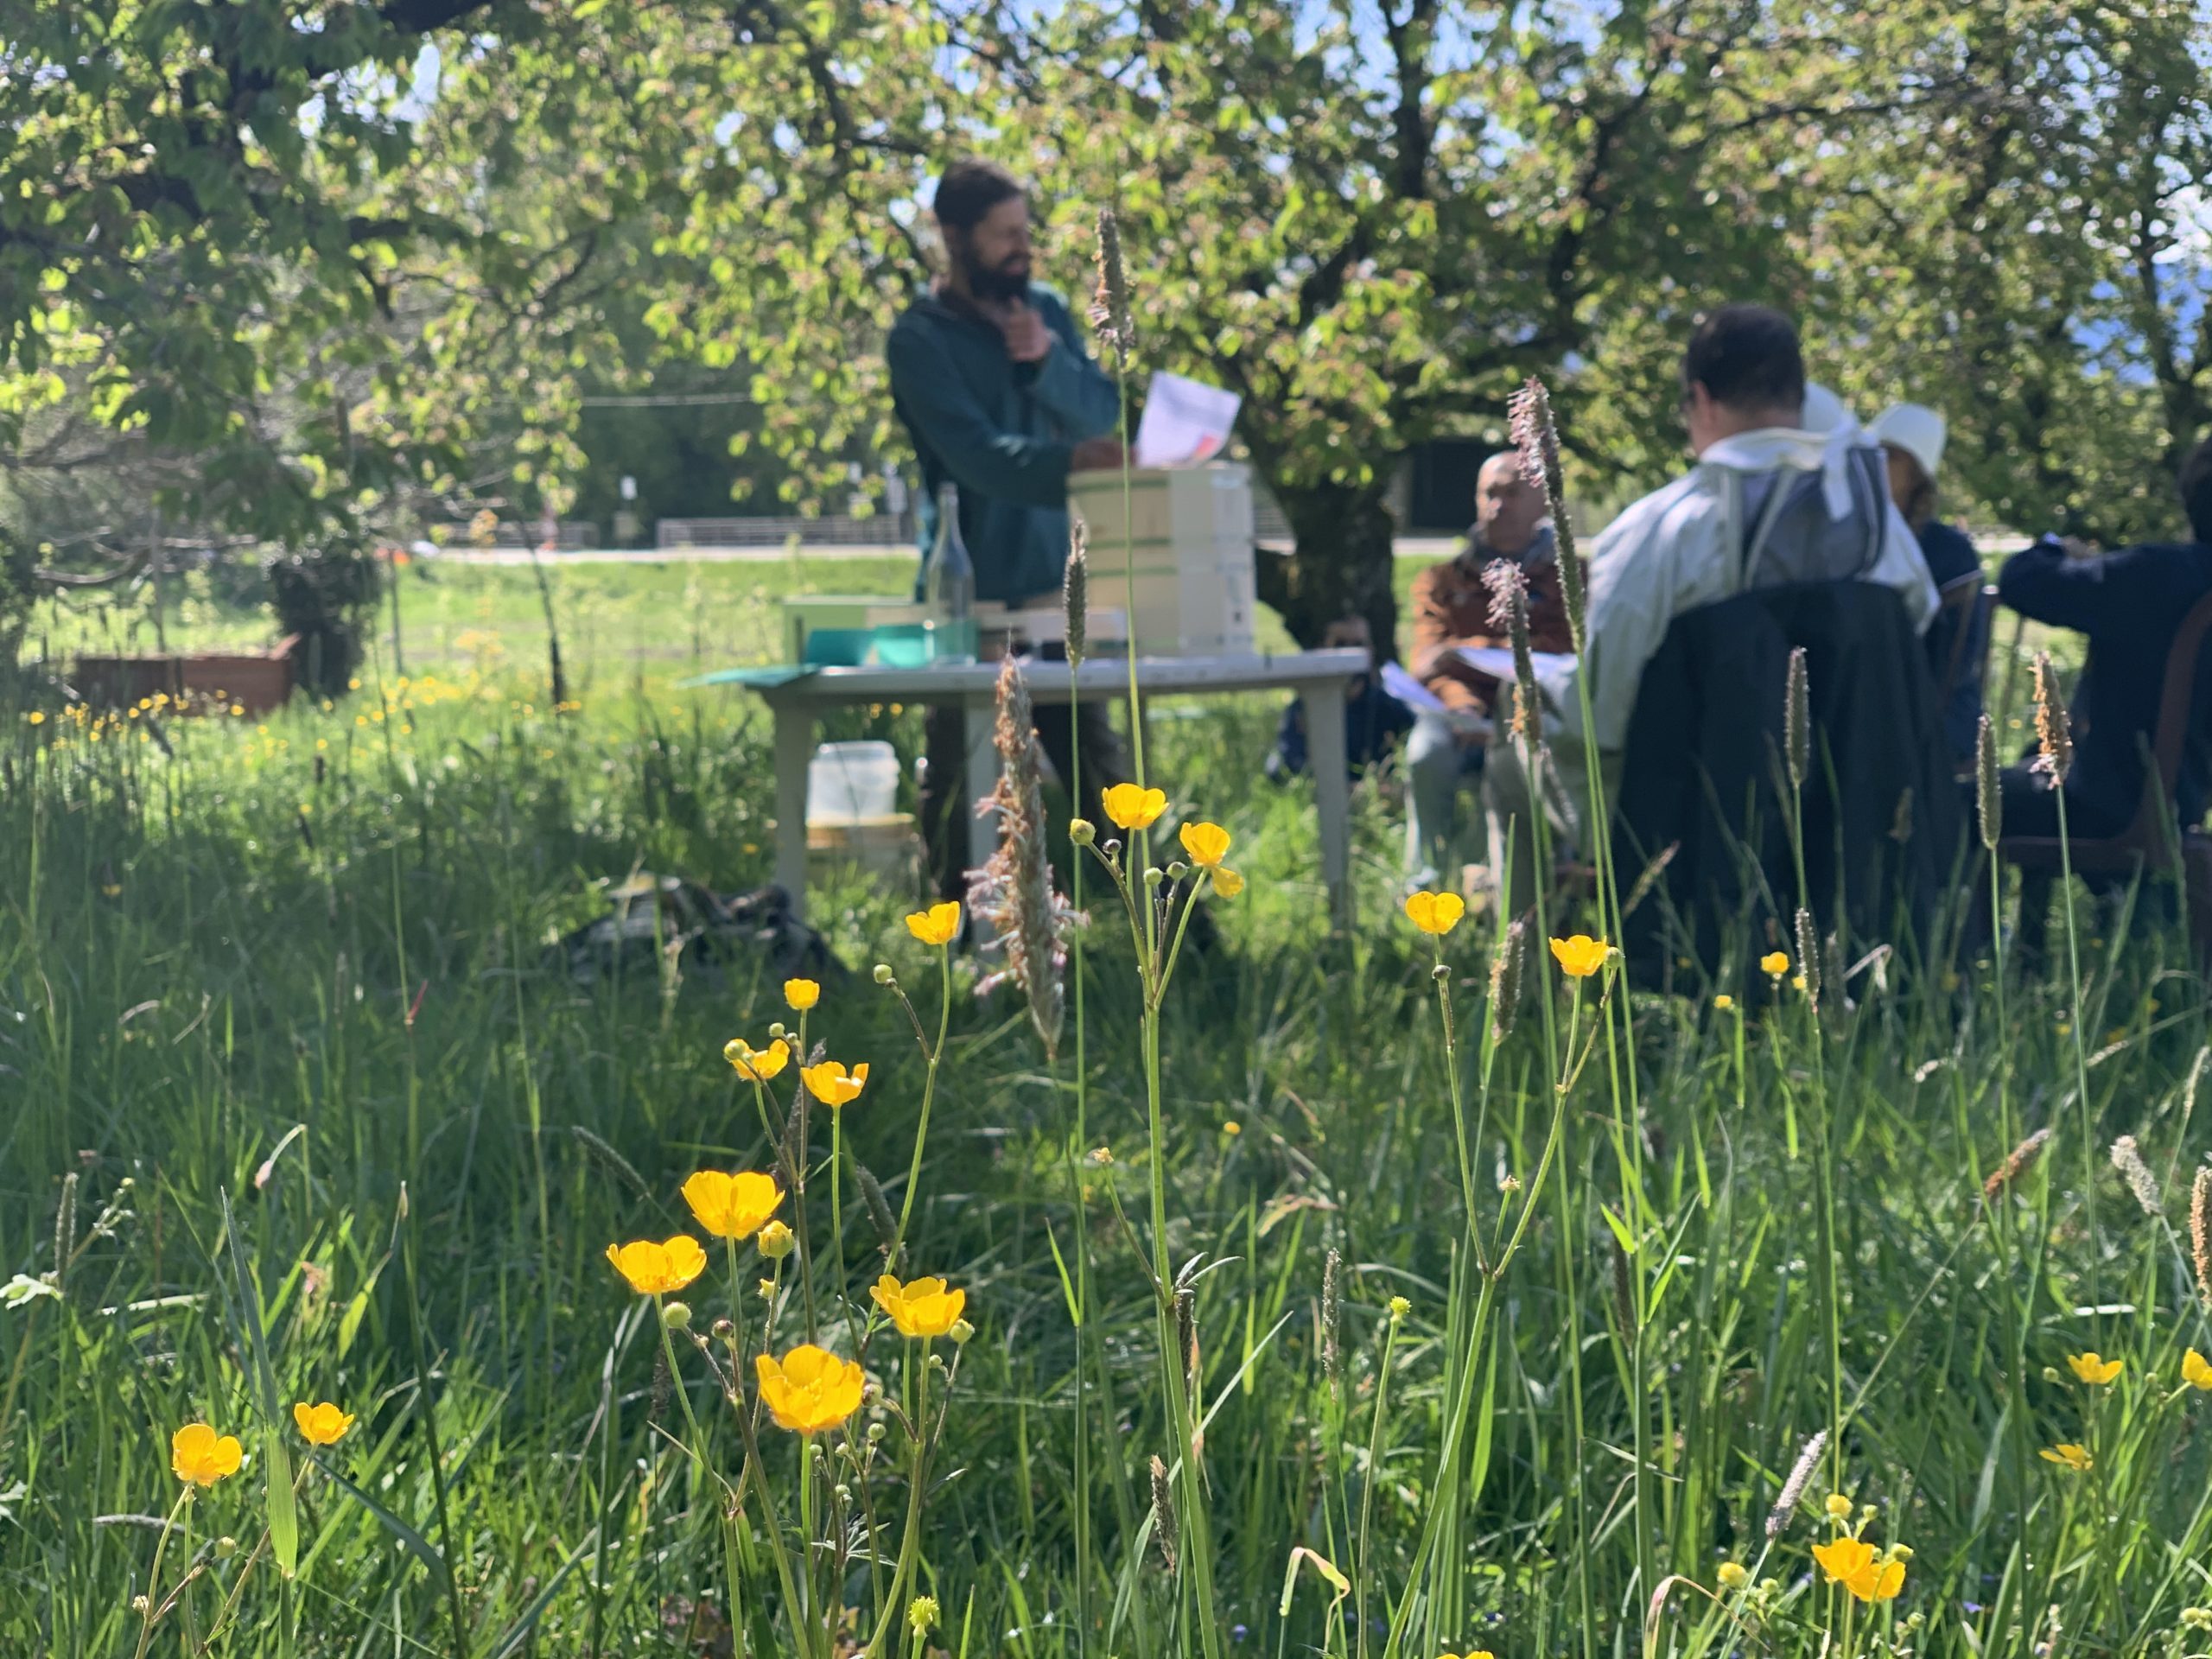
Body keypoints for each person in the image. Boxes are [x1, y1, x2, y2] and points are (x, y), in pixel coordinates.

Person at [1484, 304, 1940, 917]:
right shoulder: (1880, 531)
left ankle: (1533, 974)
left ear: (1700, 399)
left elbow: (1606, 715)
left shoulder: (1660, 530)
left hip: (1686, 824)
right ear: (1800, 397)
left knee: (1510, 733)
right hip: (1852, 817)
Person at [886, 160, 1130, 897]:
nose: (1021, 248)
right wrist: (1070, 463)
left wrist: (1048, 361)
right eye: (1004, 236)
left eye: (1026, 232)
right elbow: (974, 457)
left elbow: (1102, 412)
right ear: (954, 237)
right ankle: (953, 938)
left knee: (1099, 775)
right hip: (970, 590)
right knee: (963, 780)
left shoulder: (1047, 311)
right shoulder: (919, 340)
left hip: (1057, 588)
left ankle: (1174, 944)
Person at [1993, 435, 2212, 841]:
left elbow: (2023, 582)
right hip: (2187, 805)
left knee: (1950, 803)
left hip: (2104, 802)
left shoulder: (2157, 576)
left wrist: (2056, 547)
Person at [1400, 452, 1572, 888]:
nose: (1499, 504)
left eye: (1512, 493)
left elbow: (1562, 654)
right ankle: (1426, 884)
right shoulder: (1443, 580)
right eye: (1489, 493)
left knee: (1519, 763)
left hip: (1536, 713)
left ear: (1542, 503)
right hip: (1457, 712)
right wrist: (1465, 707)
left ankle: (1508, 883)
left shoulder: (1566, 578)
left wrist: (1461, 651)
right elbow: (1425, 661)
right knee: (1426, 755)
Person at [1867, 402, 1986, 764]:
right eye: (1869, 453)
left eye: (1889, 457)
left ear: (1917, 474)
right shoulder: (1847, 536)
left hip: (1933, 718)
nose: (1873, 465)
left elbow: (1953, 665)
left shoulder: (1948, 551)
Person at [1267, 614, 1414, 784]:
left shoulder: (1389, 707)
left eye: (1358, 645)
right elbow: (1286, 765)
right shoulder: (1305, 708)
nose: (1350, 654)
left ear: (1371, 651)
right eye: (1340, 645)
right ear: (1322, 650)